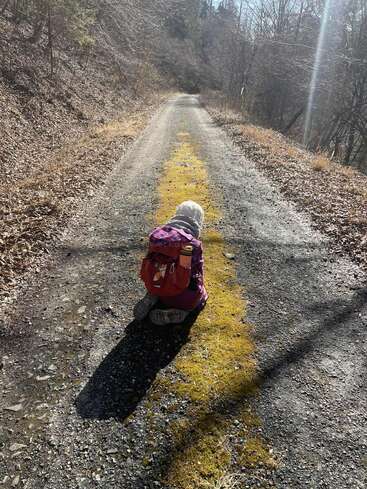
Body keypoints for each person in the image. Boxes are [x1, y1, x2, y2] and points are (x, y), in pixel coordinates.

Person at [134, 201, 207, 325]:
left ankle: (153, 296)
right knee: (202, 296)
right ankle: (182, 312)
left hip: (156, 286)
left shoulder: (157, 235)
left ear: (177, 214)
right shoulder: (192, 244)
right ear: (198, 221)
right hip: (181, 296)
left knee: (161, 271)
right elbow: (196, 273)